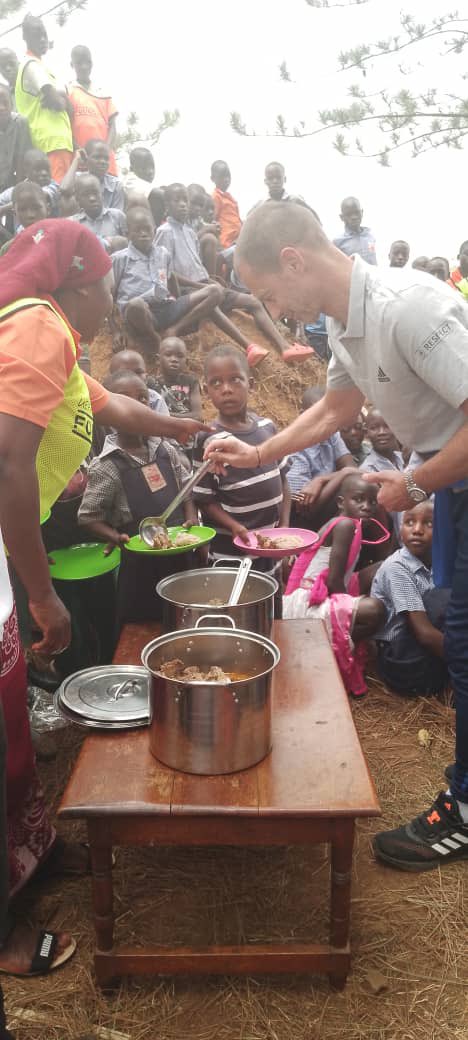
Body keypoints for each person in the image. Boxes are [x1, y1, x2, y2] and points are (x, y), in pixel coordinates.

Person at [204, 199, 468, 872]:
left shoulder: (407, 307)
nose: (275, 310)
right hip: (450, 482)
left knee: (463, 639)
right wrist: (258, 454)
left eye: (268, 293)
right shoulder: (343, 323)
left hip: (454, 480)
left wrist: (416, 481)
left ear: (293, 261)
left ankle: (464, 806)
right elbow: (335, 407)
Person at [0, 220, 207, 942]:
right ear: (81, 285)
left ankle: (30, 856)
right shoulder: (38, 327)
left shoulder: (53, 335)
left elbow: (110, 406)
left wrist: (180, 429)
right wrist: (41, 593)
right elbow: (8, 462)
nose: (112, 303)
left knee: (11, 729)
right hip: (9, 561)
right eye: (109, 290)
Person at [78, 369, 196, 625]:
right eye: (125, 398)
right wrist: (115, 537)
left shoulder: (165, 449)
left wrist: (190, 518)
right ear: (110, 409)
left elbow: (186, 490)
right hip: (140, 562)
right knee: (145, 624)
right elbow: (88, 517)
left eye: (142, 398)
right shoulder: (106, 465)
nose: (136, 404)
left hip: (181, 552)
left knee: (186, 616)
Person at [156, 183, 313, 364]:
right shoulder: (164, 232)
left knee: (253, 301)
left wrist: (209, 281)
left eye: (185, 200)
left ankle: (285, 347)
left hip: (203, 285)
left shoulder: (190, 232)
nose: (183, 204)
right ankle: (249, 346)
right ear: (167, 204)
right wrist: (200, 286)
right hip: (187, 291)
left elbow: (196, 266)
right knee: (211, 301)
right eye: (177, 200)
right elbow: (167, 273)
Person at [193, 344, 291, 614]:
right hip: (231, 555)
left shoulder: (267, 428)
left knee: (271, 611)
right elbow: (204, 499)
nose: (226, 389)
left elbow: (283, 480)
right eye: (216, 382)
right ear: (207, 391)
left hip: (269, 549)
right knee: (235, 615)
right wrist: (236, 527)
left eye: (235, 379)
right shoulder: (209, 439)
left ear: (251, 383)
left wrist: (284, 528)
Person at [284, 473, 385, 697]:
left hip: (322, 591)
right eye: (358, 499)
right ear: (341, 502)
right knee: (375, 610)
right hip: (306, 602)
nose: (367, 506)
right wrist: (348, 609)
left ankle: (341, 635)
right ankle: (335, 646)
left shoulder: (354, 523)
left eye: (372, 501)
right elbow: (333, 581)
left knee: (383, 568)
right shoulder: (345, 525)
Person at [113, 204, 237, 359]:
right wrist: (118, 330)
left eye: (147, 228)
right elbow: (110, 297)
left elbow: (171, 280)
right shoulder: (120, 259)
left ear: (154, 229)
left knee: (215, 291)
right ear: (127, 233)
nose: (143, 233)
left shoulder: (162, 254)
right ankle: (154, 337)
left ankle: (175, 329)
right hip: (142, 314)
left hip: (166, 307)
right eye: (137, 230)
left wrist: (180, 304)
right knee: (135, 304)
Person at [372, 501, 450, 697]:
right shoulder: (397, 568)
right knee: (444, 595)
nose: (417, 530)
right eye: (409, 522)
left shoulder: (438, 561)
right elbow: (424, 633)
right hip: (402, 661)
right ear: (400, 530)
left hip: (425, 649)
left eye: (428, 524)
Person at [15, 14, 73, 182]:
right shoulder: (31, 64)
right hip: (50, 141)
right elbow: (56, 100)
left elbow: (63, 101)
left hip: (59, 141)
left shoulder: (41, 65)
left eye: (44, 35)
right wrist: (62, 99)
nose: (42, 39)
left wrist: (62, 99)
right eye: (36, 35)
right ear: (25, 38)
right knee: (58, 195)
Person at [287, 386, 355, 525]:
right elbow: (302, 506)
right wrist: (344, 473)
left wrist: (321, 480)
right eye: (319, 415)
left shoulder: (331, 435)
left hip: (326, 504)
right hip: (301, 519)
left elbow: (352, 469)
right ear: (302, 415)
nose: (327, 421)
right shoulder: (295, 445)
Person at [68, 44, 118, 175]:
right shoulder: (68, 90)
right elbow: (64, 126)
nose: (84, 66)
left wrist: (106, 151)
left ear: (92, 64)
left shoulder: (103, 92)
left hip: (106, 164)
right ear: (72, 65)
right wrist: (79, 150)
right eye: (79, 63)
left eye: (87, 62)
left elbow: (113, 126)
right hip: (82, 163)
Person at [62, 138, 125, 211]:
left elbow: (117, 216)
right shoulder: (78, 178)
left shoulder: (116, 185)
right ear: (85, 158)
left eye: (106, 158)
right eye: (97, 157)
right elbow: (64, 189)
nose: (103, 161)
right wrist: (76, 160)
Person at [71, 172, 127, 253]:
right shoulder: (73, 223)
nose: (92, 198)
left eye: (95, 193)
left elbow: (129, 245)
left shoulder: (117, 216)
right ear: (77, 199)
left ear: (102, 194)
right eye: (86, 194)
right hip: (85, 265)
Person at [108, 349, 169, 416]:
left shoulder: (155, 400)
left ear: (146, 376)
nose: (132, 377)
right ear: (111, 378)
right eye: (125, 372)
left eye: (138, 372)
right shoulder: (105, 399)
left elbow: (164, 424)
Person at [154, 337, 202, 419]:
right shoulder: (151, 384)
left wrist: (163, 415)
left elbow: (197, 416)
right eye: (168, 355)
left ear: (186, 362)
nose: (174, 359)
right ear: (158, 360)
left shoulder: (191, 382)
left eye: (180, 356)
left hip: (186, 429)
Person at [0, 83, 31, 192]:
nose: (1, 107)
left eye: (5, 103)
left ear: (12, 105)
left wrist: (19, 190)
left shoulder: (20, 123)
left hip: (12, 182)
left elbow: (21, 158)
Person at [333, 196, 377, 265]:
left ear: (362, 212)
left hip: (373, 275)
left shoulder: (370, 236)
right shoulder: (337, 242)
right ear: (342, 217)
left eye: (357, 212)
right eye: (349, 214)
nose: (354, 217)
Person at [360, 408, 405, 475]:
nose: (382, 432)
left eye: (388, 426)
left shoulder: (404, 458)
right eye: (374, 428)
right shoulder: (367, 471)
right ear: (366, 433)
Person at [210, 159, 241, 251]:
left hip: (237, 239)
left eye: (228, 175)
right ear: (213, 178)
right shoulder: (216, 197)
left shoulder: (229, 197)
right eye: (222, 176)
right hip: (226, 242)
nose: (226, 179)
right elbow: (213, 221)